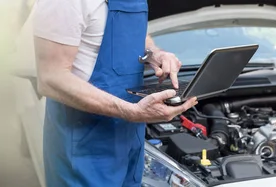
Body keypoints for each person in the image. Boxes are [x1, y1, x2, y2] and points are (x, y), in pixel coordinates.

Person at [32, 0, 198, 186]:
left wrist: (154, 53)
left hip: (130, 138)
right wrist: (131, 112)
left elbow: (137, 35)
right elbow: (51, 78)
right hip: (84, 148)